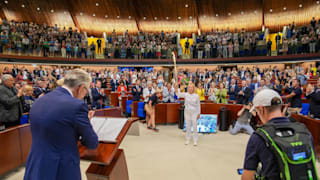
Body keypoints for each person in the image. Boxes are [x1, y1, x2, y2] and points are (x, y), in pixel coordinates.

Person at [24, 69, 98, 180]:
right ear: (81, 88)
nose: (84, 95)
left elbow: (56, 125)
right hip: (60, 169)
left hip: (35, 164)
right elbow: (91, 142)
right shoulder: (77, 106)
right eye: (86, 91)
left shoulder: (40, 100)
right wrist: (86, 124)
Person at [241, 89, 316, 180]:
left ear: (261, 109)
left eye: (257, 111)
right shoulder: (304, 131)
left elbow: (247, 176)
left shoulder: (258, 137)